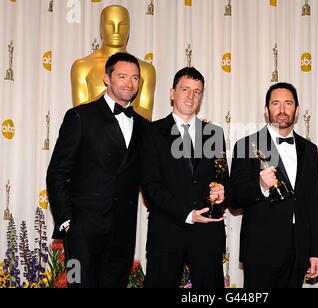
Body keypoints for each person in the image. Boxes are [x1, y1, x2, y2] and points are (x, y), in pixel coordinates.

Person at [47, 52, 148, 288]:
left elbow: (153, 173)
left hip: (123, 230)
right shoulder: (81, 116)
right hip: (83, 229)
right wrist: (66, 222)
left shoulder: (144, 126)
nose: (129, 83)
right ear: (106, 78)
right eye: (122, 76)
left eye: (135, 78)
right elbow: (57, 172)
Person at [141, 67, 229, 288]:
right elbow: (151, 186)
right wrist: (187, 214)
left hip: (208, 233)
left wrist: (222, 192)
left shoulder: (214, 133)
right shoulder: (151, 132)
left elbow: (222, 177)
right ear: (172, 92)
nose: (191, 96)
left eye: (197, 91)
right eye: (185, 89)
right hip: (167, 232)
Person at [230, 82, 318, 288]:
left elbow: (313, 204)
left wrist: (316, 251)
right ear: (266, 110)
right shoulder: (246, 145)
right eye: (276, 103)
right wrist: (260, 185)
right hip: (261, 250)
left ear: (297, 110)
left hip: (299, 251)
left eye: (288, 103)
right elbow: (234, 198)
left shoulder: (310, 150)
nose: (282, 110)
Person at [71, 5, 156, 120]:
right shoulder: (82, 67)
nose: (116, 31)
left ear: (129, 28)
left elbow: (146, 116)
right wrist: (111, 98)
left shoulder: (146, 69)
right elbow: (79, 114)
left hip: (133, 136)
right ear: (101, 27)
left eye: (122, 25)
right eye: (110, 25)